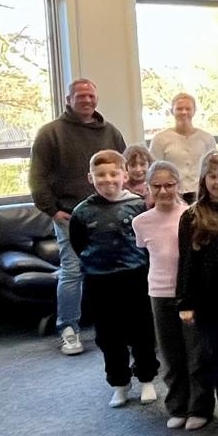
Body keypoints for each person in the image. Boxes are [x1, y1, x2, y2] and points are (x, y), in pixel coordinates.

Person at [30, 78, 127, 356]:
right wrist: (52, 210)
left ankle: (114, 324)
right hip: (70, 216)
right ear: (68, 99)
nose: (86, 100)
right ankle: (68, 329)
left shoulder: (110, 132)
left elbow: (124, 168)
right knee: (72, 271)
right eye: (80, 95)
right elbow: (37, 177)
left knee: (115, 269)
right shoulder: (50, 133)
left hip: (110, 213)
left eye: (91, 95)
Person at [70, 149, 158, 408]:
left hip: (135, 278)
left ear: (125, 174)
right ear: (90, 178)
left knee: (142, 331)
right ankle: (119, 383)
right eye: (100, 175)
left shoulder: (139, 205)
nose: (107, 180)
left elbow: (148, 243)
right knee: (108, 335)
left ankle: (146, 379)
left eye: (113, 174)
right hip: (100, 282)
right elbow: (79, 244)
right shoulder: (82, 212)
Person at [176, 150, 218, 432]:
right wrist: (185, 302)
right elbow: (186, 262)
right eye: (213, 176)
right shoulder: (191, 216)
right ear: (204, 179)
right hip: (209, 300)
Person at [133, 160, 197, 428]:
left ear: (178, 186)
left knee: (194, 353)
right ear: (148, 188)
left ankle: (199, 408)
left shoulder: (191, 216)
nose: (163, 191)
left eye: (169, 185)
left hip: (190, 294)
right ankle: (177, 407)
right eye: (156, 186)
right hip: (158, 292)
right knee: (171, 354)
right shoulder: (140, 222)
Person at [150, 93, 216, 196]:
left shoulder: (207, 138)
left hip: (201, 194)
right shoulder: (160, 139)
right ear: (172, 111)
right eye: (179, 109)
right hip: (172, 195)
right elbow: (154, 170)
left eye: (188, 109)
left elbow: (213, 168)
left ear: (194, 111)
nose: (184, 112)